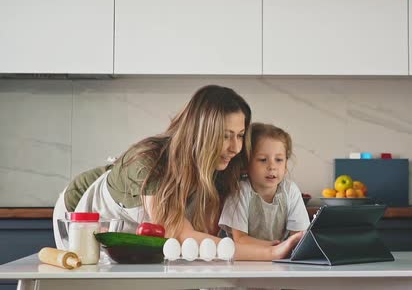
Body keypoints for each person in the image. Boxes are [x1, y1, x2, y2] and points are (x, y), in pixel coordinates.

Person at [52, 85, 302, 260]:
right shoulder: (150, 162)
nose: (236, 148)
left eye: (239, 135)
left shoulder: (221, 165)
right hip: (84, 215)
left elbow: (205, 236)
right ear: (201, 133)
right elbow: (181, 236)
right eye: (225, 136)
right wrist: (272, 253)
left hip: (141, 230)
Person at [219, 123, 310, 246]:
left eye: (279, 160)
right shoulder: (240, 191)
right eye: (263, 160)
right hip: (244, 260)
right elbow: (240, 240)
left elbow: (299, 236)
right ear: (246, 164)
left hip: (278, 257)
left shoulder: (290, 190)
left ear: (286, 165)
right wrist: (277, 248)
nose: (272, 167)